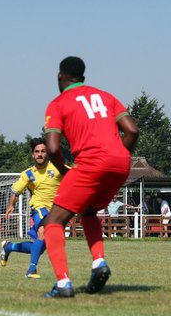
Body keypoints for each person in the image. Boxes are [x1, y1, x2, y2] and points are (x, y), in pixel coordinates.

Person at [41, 56, 139, 298]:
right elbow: (132, 130)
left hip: (91, 163)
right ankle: (98, 263)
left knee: (53, 222)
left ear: (60, 76)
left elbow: (53, 148)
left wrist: (64, 170)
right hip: (120, 163)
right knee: (89, 212)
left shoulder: (58, 103)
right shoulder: (106, 97)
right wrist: (117, 156)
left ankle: (63, 283)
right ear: (82, 77)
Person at [0, 138, 64, 279]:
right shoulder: (28, 174)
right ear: (32, 155)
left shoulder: (58, 168)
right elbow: (16, 191)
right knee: (42, 232)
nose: (40, 154)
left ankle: (9, 247)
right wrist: (11, 205)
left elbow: (75, 175)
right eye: (37, 152)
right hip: (39, 209)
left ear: (47, 153)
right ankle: (31, 270)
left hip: (57, 212)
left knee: (39, 248)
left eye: (43, 151)